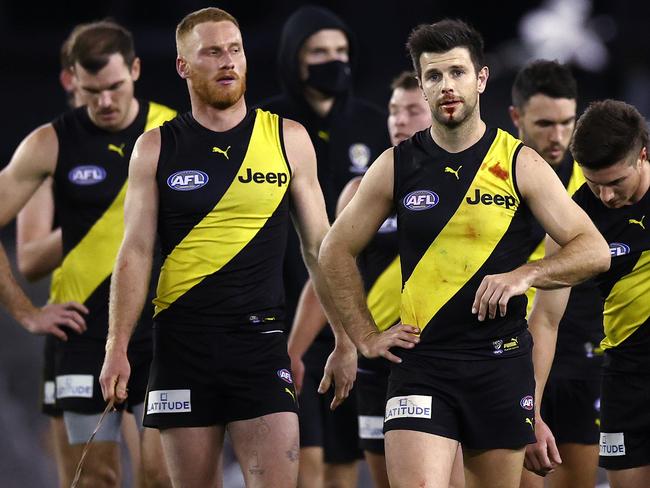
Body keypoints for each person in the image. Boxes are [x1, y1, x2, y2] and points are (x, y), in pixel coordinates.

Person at [318, 19, 610, 488]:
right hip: (421, 365)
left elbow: (594, 250)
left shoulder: (520, 162)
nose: (446, 86)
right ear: (421, 86)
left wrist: (526, 274)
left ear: (480, 79)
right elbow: (332, 251)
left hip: (500, 365)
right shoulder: (396, 164)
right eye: (433, 76)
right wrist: (365, 336)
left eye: (456, 72)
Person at [99, 8, 354, 488]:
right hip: (181, 347)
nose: (227, 61)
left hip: (260, 348)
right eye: (212, 52)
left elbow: (322, 247)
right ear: (183, 67)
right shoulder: (155, 149)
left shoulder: (287, 139)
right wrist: (117, 346)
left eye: (234, 49)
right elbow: (134, 252)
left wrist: (344, 337)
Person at [0, 20, 176, 487]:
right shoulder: (49, 143)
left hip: (162, 335)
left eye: (115, 86)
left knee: (162, 476)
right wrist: (26, 312)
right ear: (70, 82)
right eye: (92, 90)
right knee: (91, 479)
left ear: (136, 70)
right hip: (81, 337)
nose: (105, 101)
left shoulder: (175, 133)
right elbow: (30, 253)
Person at [259, 6, 389, 485]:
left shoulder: (374, 126)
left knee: (342, 462)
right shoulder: (266, 125)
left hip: (356, 316)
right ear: (295, 59)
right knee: (299, 462)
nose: (334, 61)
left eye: (341, 51)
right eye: (319, 52)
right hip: (281, 310)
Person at [529, 99, 650, 488]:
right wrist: (529, 412)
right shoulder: (573, 217)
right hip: (625, 378)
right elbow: (546, 320)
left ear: (642, 155)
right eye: (594, 184)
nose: (607, 197)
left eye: (616, 183)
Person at [508, 60, 603, 488]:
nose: (558, 136)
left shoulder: (597, 180)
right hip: (513, 353)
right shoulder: (493, 180)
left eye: (568, 122)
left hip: (583, 355)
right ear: (517, 118)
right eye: (545, 123)